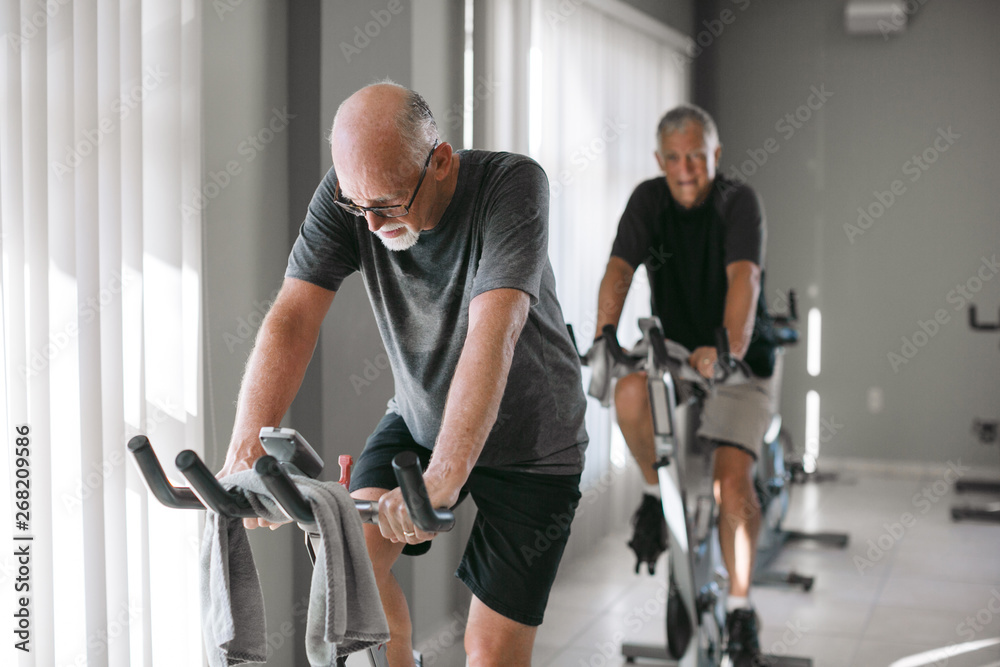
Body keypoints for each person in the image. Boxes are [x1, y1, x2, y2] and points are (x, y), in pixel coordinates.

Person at [218, 81, 588, 667]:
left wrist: (442, 478)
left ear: (440, 161)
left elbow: (494, 333)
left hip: (533, 444)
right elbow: (293, 316)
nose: (368, 223)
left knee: (489, 654)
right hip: (420, 419)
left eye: (386, 204)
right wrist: (245, 445)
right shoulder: (355, 196)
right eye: (355, 205)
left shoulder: (513, 186)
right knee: (347, 572)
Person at [592, 104, 777, 665]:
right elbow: (620, 268)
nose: (686, 169)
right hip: (675, 353)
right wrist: (604, 335)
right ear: (660, 161)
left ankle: (742, 610)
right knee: (627, 393)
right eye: (674, 158)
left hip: (739, 358)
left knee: (731, 484)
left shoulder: (737, 201)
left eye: (696, 156)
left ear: (715, 156)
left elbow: (743, 277)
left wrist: (726, 350)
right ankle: (654, 499)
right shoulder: (649, 200)